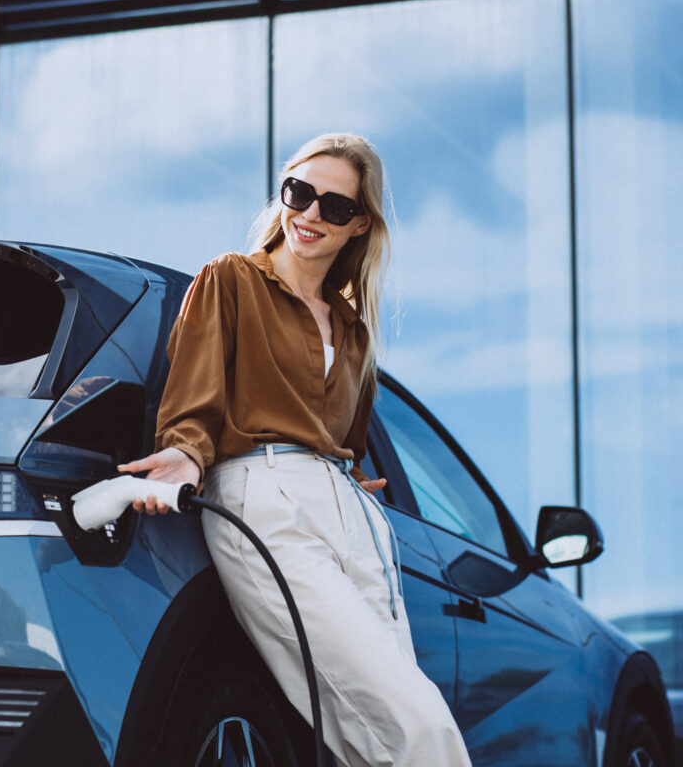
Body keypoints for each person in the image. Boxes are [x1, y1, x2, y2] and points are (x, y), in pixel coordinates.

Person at [118, 133, 472, 767]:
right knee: (417, 728)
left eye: (335, 207)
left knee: (370, 738)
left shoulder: (354, 328)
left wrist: (345, 478)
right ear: (282, 194)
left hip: (353, 517)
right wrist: (186, 456)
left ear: (359, 225)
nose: (310, 216)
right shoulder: (230, 279)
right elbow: (194, 396)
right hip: (266, 499)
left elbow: (345, 440)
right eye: (299, 194)